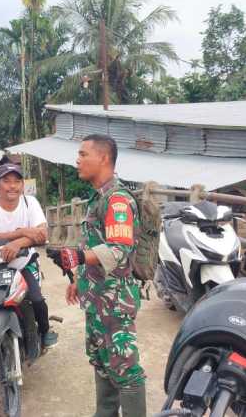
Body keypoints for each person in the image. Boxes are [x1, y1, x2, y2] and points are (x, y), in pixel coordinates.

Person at [54, 134, 146, 417]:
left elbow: (118, 249)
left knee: (125, 369)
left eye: (83, 154)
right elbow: (94, 244)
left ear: (104, 158)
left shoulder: (117, 200)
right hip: (97, 298)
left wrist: (78, 257)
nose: (77, 160)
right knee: (103, 364)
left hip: (115, 302)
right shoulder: (99, 198)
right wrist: (77, 279)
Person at [0, 163, 57, 390]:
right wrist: (25, 232)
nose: (12, 186)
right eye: (6, 181)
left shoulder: (29, 202)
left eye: (16, 181)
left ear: (22, 185)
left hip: (23, 262)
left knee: (36, 301)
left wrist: (17, 243)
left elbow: (42, 234)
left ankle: (44, 332)